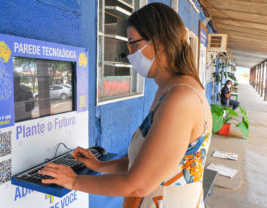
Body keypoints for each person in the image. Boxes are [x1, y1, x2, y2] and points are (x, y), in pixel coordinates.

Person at [39, 3, 212, 208]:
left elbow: (137, 184)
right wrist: (100, 165)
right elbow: (147, 162)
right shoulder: (168, 92)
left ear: (160, 43)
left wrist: (73, 181)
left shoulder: (180, 98)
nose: (129, 54)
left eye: (134, 45)